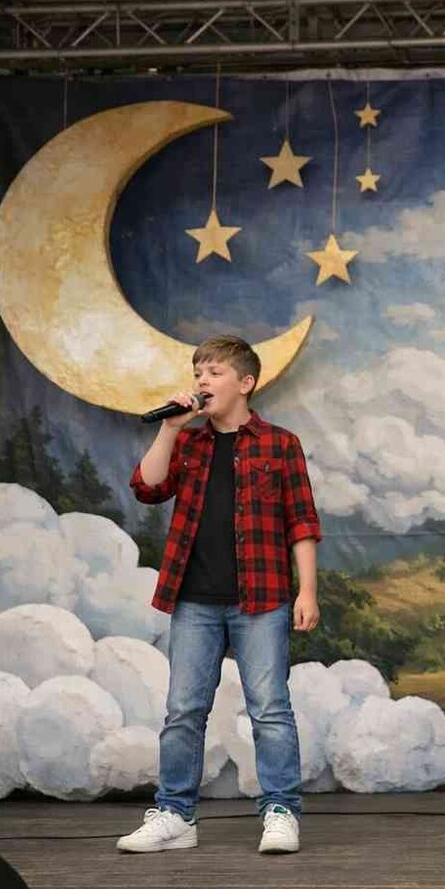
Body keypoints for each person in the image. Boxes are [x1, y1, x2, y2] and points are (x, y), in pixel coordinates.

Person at [116, 335, 322, 855]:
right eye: (198, 373)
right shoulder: (188, 443)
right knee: (184, 710)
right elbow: (147, 486)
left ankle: (280, 811)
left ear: (245, 383)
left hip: (262, 597)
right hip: (194, 599)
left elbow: (301, 522)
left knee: (269, 708)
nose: (202, 381)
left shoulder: (280, 444)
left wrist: (308, 591)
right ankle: (175, 815)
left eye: (214, 373)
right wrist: (169, 428)